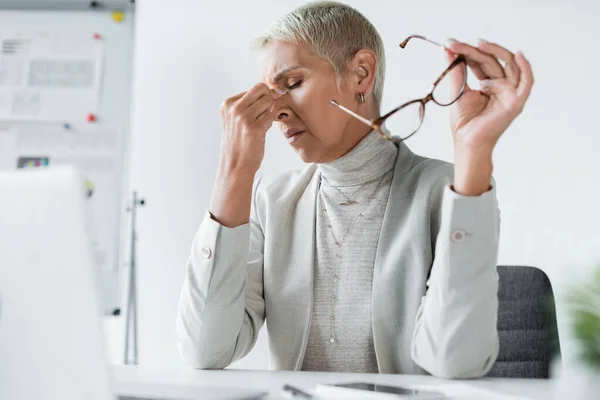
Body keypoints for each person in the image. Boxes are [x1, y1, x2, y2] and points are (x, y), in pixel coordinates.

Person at [176, 1, 533, 378]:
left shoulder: (450, 193)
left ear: (361, 73)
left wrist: (474, 153)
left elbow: (454, 360)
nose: (277, 111)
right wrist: (234, 170)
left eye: (293, 84)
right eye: (269, 94)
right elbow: (204, 349)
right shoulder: (272, 201)